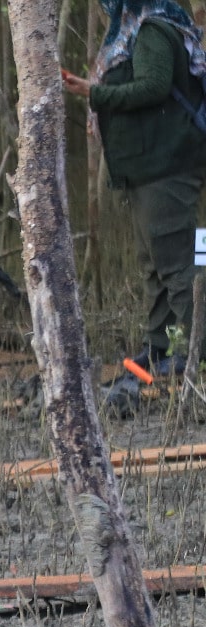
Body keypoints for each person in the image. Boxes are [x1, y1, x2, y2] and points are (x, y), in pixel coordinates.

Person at [65, 0, 206, 377]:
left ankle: (195, 351)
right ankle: (158, 346)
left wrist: (93, 93)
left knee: (178, 262)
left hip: (166, 166)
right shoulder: (137, 33)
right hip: (147, 168)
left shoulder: (153, 31)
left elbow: (154, 87)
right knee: (153, 264)